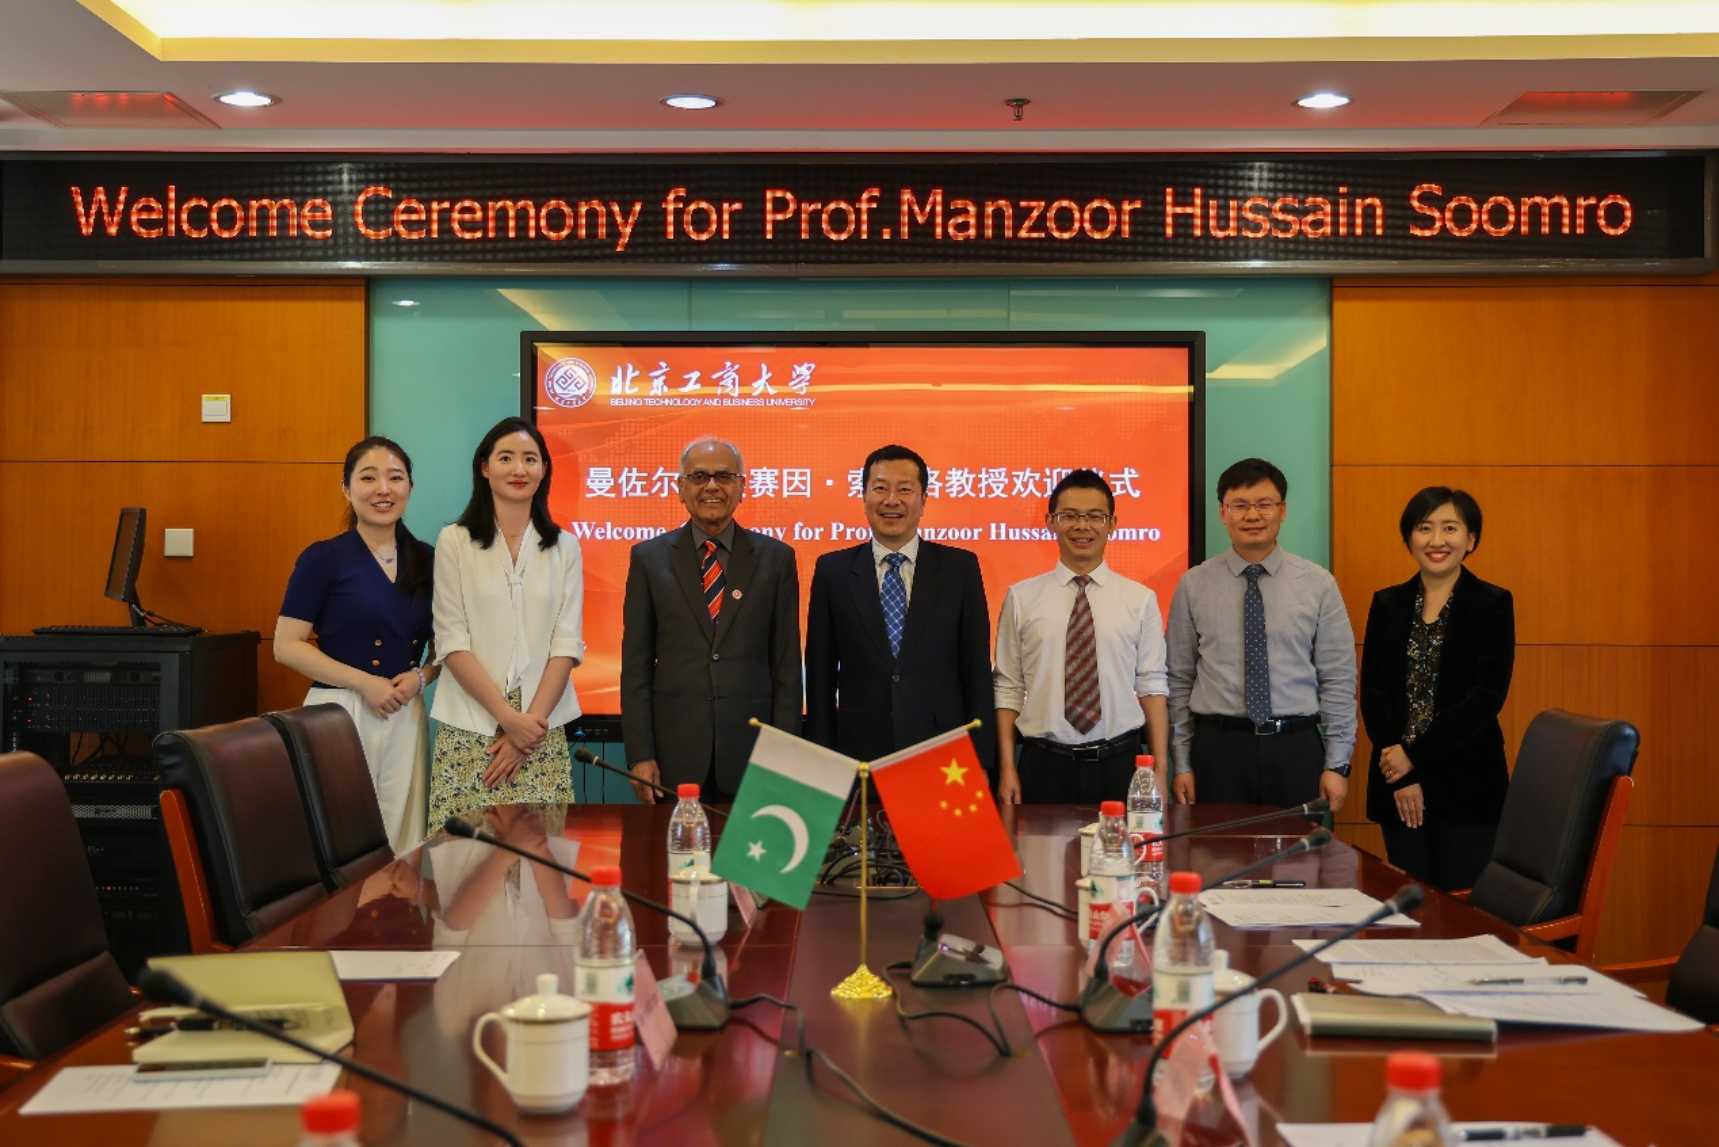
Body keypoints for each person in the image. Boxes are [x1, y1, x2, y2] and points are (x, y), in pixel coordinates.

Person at [276, 436, 436, 854]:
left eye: (395, 478)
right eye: (368, 478)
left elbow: (447, 647)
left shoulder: (429, 560)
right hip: (338, 712)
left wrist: (421, 677)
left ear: (410, 487)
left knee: (402, 842)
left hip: (404, 710)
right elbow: (287, 645)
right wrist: (365, 683)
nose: (383, 489)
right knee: (339, 842)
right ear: (346, 489)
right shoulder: (323, 558)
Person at [1166, 458, 1357, 810]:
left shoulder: (1318, 585)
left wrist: (1337, 764)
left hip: (1295, 748)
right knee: (1218, 847)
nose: (1252, 515)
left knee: (1297, 848)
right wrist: (1182, 763)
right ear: (1222, 512)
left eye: (1264, 504)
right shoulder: (1193, 585)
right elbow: (1179, 679)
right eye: (1239, 505)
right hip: (1218, 750)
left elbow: (1338, 679)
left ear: (1282, 511)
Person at [620, 437, 802, 802]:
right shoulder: (649, 559)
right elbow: (636, 667)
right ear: (680, 488)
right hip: (673, 757)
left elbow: (786, 668)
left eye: (724, 476)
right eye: (699, 476)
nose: (712, 486)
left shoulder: (776, 559)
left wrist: (784, 756)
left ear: (742, 487)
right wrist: (640, 754)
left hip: (753, 754)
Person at [428, 417, 585, 831]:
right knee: (462, 859)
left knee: (541, 857)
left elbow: (566, 645)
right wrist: (507, 720)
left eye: (530, 459)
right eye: (506, 458)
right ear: (484, 467)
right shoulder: (454, 541)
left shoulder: (565, 546)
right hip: (472, 723)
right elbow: (451, 641)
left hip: (540, 727)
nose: (519, 469)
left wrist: (526, 731)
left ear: (544, 469)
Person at [805, 444, 996, 782]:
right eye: (880, 488)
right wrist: (821, 757)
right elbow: (820, 674)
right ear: (864, 497)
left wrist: (981, 760)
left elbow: (976, 671)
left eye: (905, 489)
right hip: (858, 752)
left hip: (943, 753)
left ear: (923, 500)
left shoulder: (960, 569)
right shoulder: (833, 571)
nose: (891, 500)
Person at [1360, 488, 1514, 891]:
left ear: (1471, 539)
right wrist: (1401, 775)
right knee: (1411, 905)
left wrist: (1413, 756)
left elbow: (1486, 697)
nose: (1436, 540)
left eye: (1450, 528)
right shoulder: (1387, 603)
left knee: (1461, 907)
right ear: (1409, 539)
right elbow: (1374, 694)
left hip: (1467, 785)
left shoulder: (1493, 604)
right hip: (1398, 784)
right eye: (1424, 528)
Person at [994, 469, 1170, 804]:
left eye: (1094, 516)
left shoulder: (1140, 599)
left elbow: (1152, 685)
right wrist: (1007, 767)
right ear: (1051, 522)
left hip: (1120, 764)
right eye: (1070, 516)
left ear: (1112, 523)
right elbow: (1008, 687)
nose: (1082, 526)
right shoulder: (1021, 598)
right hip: (1043, 764)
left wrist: (1160, 768)